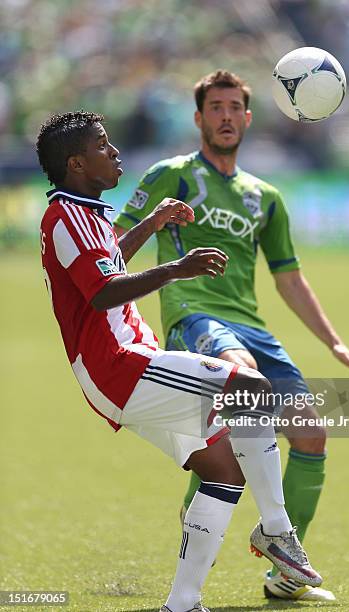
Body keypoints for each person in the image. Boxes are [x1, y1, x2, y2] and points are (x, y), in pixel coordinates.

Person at [37, 111, 323, 612]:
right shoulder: (64, 217)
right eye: (104, 146)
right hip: (120, 364)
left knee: (223, 471)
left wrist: (153, 220)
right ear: (77, 163)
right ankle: (278, 531)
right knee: (253, 390)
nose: (116, 152)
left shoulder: (86, 212)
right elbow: (103, 291)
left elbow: (106, 260)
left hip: (125, 365)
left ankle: (183, 602)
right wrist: (176, 268)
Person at [114, 70, 349, 603]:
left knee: (310, 433)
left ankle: (285, 574)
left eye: (235, 107)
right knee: (242, 399)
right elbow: (114, 246)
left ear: (249, 117)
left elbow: (289, 278)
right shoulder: (173, 175)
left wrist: (335, 344)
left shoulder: (267, 196)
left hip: (254, 326)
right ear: (198, 118)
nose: (226, 116)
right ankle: (228, 552)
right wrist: (148, 236)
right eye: (216, 107)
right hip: (196, 319)